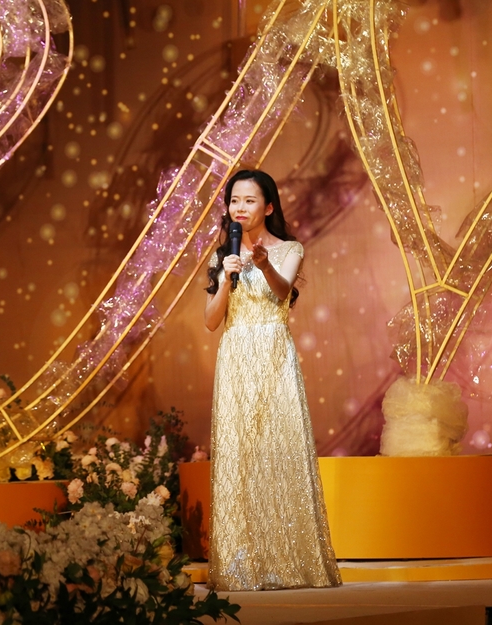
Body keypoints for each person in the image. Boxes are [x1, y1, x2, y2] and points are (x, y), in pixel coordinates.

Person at [204, 169, 341, 591]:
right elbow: (211, 321)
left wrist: (263, 266)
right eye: (234, 200)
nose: (240, 208)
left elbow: (282, 293)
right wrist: (225, 279)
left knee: (280, 450)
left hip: (273, 353)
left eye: (249, 200)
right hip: (235, 356)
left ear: (268, 207)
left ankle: (292, 562)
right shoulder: (221, 256)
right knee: (239, 458)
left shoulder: (289, 249)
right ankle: (242, 566)